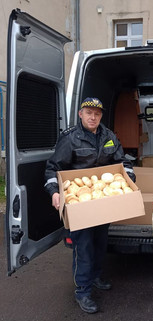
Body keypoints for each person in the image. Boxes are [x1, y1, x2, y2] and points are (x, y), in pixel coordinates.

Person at [44, 97, 136, 314]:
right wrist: (54, 192)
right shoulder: (70, 138)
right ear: (80, 114)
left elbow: (123, 162)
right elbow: (53, 168)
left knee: (99, 243)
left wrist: (129, 179)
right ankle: (83, 292)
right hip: (80, 206)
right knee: (83, 248)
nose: (93, 117)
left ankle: (95, 277)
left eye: (97, 113)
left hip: (102, 201)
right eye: (88, 113)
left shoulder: (109, 136)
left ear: (101, 115)